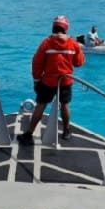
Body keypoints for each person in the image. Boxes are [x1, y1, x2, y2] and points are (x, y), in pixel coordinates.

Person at [17, 15, 86, 144]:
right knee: (65, 105)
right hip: (65, 81)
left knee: (40, 105)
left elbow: (37, 62)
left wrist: (36, 80)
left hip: (48, 81)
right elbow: (79, 62)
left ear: (54, 27)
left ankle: (29, 134)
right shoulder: (73, 43)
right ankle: (66, 131)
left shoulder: (47, 43)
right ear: (65, 28)